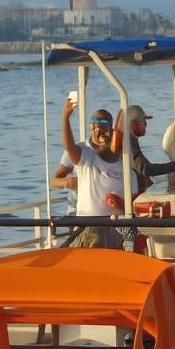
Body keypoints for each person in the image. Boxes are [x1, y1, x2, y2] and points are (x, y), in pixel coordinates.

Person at [58, 100, 138, 248]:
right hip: (87, 227)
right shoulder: (88, 157)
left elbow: (134, 206)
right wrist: (66, 117)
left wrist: (120, 204)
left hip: (115, 230)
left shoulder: (129, 172)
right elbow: (69, 146)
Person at [126, 104, 175, 189]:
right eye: (143, 121)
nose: (146, 124)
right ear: (133, 124)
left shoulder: (131, 139)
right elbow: (145, 169)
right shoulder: (128, 141)